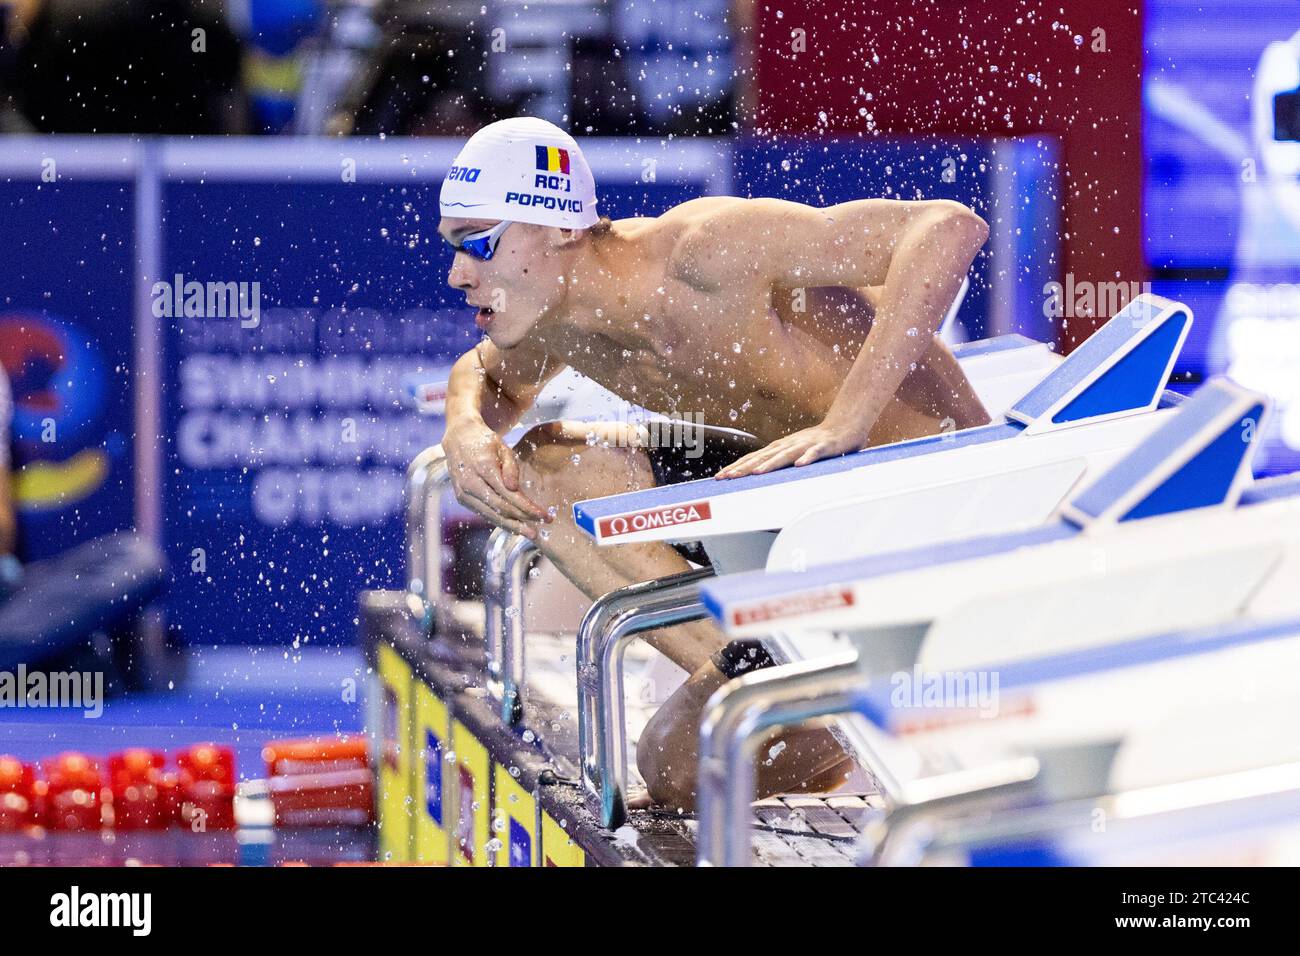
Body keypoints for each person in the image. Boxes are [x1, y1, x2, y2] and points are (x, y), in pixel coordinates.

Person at [437, 116, 991, 810]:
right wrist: (463, 429)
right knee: (545, 470)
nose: (458, 275)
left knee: (671, 766)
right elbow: (487, 380)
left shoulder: (706, 254)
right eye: (453, 249)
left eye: (477, 245)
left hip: (926, 514)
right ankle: (770, 682)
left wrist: (846, 421)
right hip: (809, 516)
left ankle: (823, 703)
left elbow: (947, 227)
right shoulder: (555, 316)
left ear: (557, 229)